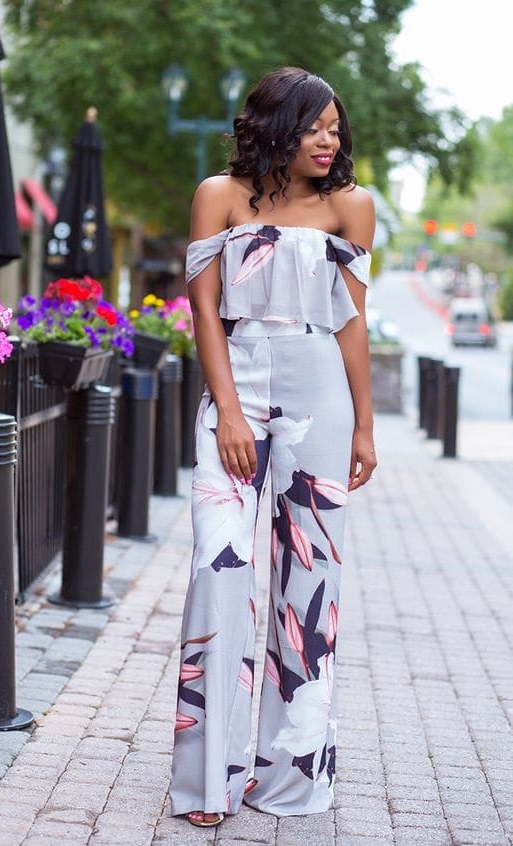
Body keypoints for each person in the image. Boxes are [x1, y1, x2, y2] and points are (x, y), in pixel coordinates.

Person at [169, 66, 377, 826]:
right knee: (219, 567)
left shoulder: (351, 207)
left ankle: (289, 778)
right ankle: (208, 781)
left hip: (319, 394)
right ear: (275, 126)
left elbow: (351, 321)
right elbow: (204, 312)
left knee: (308, 584)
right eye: (314, 126)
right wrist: (226, 409)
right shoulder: (218, 196)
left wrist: (364, 422)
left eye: (335, 128)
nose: (329, 141)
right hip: (240, 388)